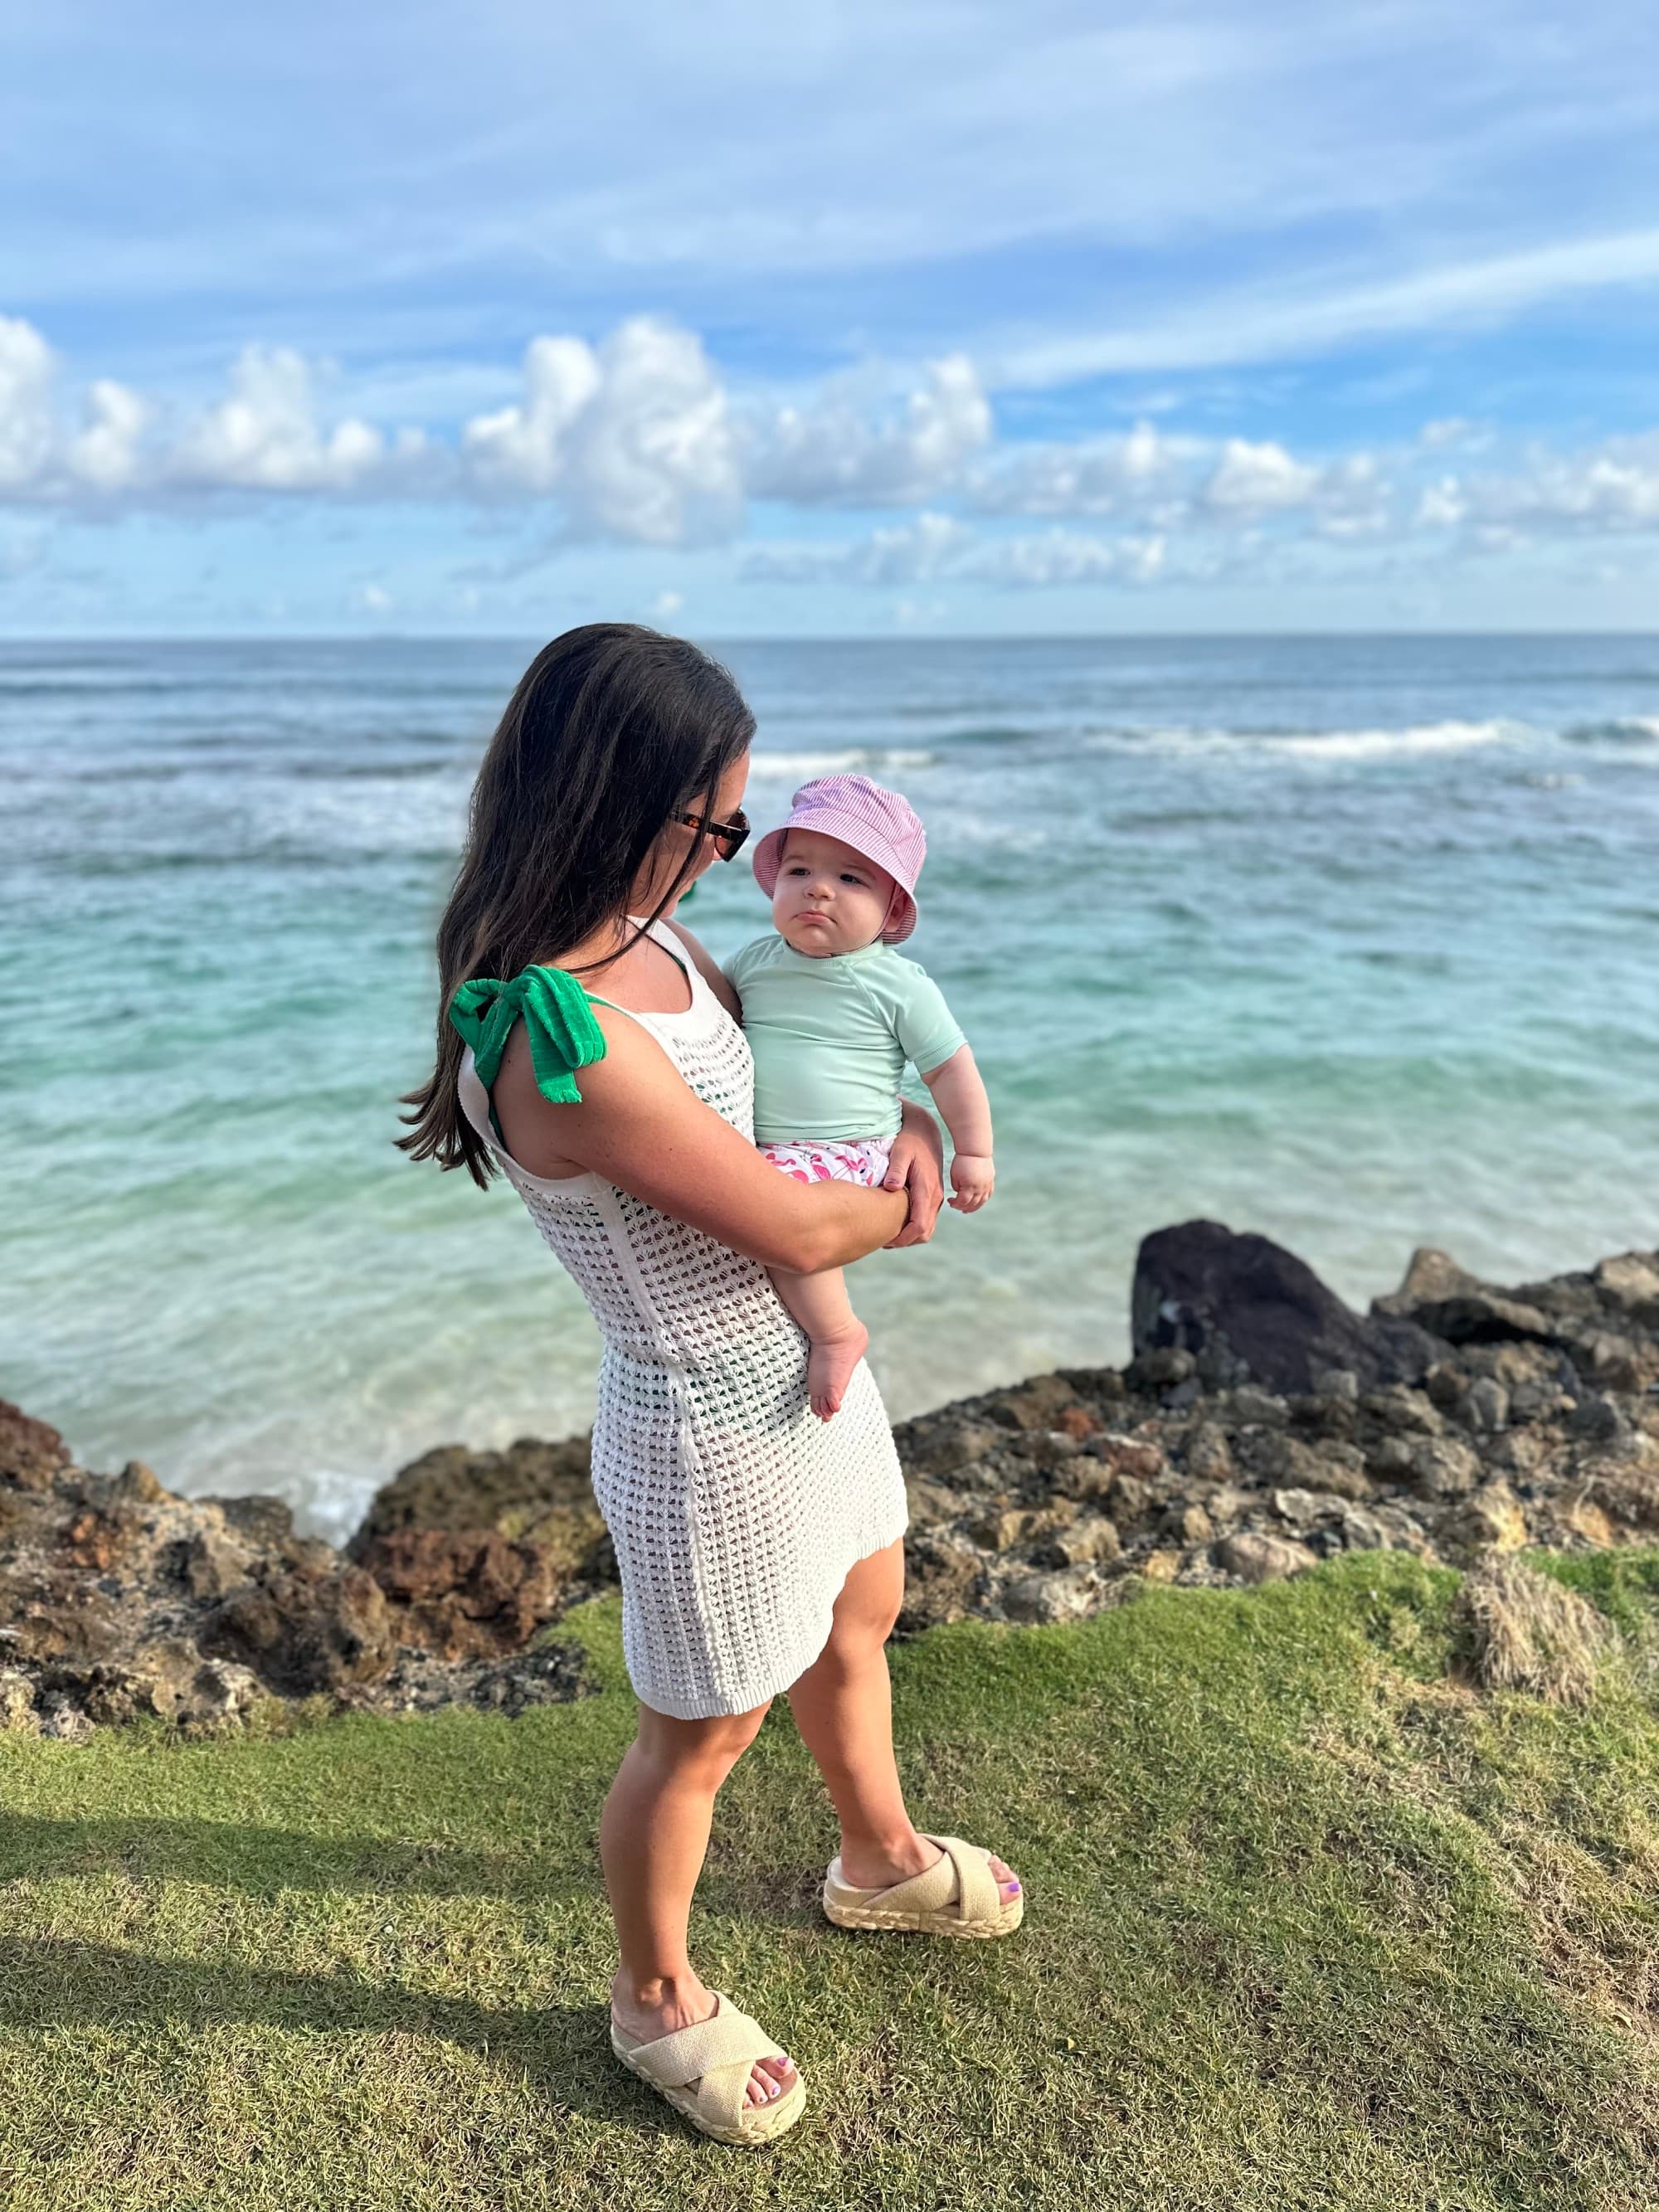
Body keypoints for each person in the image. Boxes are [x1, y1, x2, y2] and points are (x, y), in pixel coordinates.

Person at [398, 625, 1023, 2150]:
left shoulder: (659, 936)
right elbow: (792, 1217)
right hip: (702, 1425)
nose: (731, 858)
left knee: (862, 1607)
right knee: (704, 1728)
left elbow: (807, 1094)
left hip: (803, 1380)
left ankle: (873, 1855)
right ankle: (653, 1993)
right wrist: (914, 1193)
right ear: (623, 797)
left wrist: (913, 1125)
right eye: (717, 826)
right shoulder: (567, 1031)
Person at [724, 772, 995, 1420]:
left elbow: (951, 1069)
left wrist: (973, 1152)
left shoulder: (898, 985)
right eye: (799, 870)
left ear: (893, 909)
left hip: (854, 1148)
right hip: (776, 1142)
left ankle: (836, 1329)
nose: (818, 888)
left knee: (777, 1212)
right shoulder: (752, 963)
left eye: (851, 879)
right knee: (761, 1199)